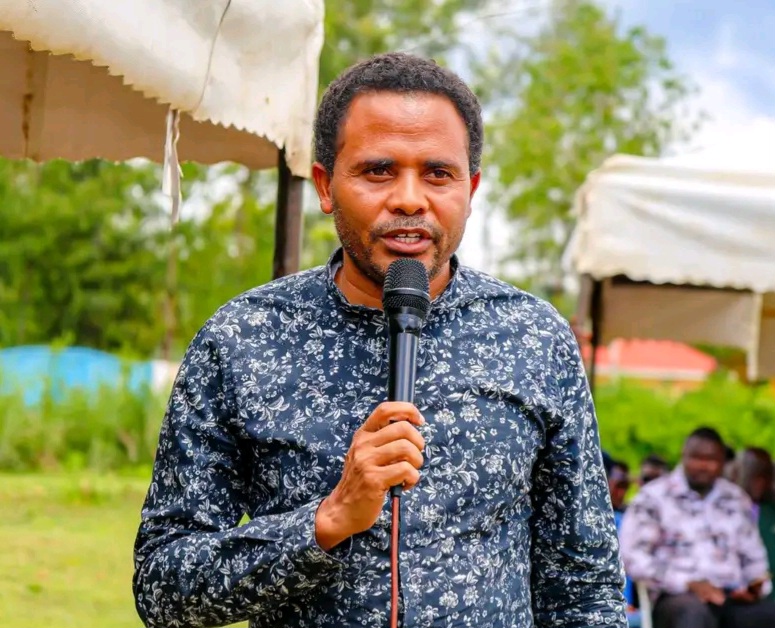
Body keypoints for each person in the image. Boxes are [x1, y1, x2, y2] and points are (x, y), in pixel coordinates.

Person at [132, 52, 626, 628]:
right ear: (325, 185)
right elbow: (163, 589)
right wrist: (326, 520)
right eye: (378, 171)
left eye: (437, 174)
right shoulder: (244, 338)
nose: (410, 199)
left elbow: (585, 589)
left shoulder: (534, 339)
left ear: (471, 188)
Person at [620, 427, 775, 628]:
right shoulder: (653, 497)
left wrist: (754, 587)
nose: (703, 466)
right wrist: (687, 583)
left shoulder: (736, 499)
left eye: (711, 459)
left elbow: (755, 559)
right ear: (683, 456)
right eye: (696, 458)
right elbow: (633, 557)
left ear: (722, 462)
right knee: (692, 614)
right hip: (676, 596)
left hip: (730, 597)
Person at [736, 447, 775, 601]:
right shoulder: (728, 510)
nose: (759, 483)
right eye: (754, 476)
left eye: (764, 477)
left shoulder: (769, 512)